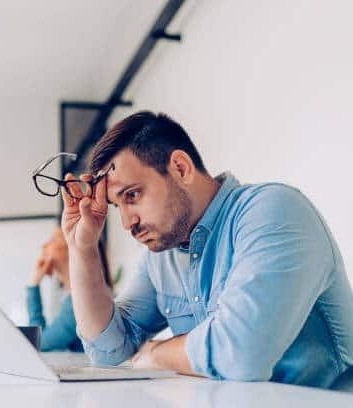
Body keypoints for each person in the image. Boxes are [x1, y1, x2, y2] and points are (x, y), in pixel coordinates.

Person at [60, 111, 353, 388]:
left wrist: (156, 353)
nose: (126, 222)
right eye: (117, 206)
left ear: (180, 168)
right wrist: (81, 248)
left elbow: (240, 354)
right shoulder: (161, 258)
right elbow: (108, 351)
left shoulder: (273, 210)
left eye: (132, 195)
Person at [26, 227, 112, 352]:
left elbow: (38, 342)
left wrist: (34, 285)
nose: (44, 245)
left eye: (53, 240)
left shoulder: (82, 302)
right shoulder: (77, 297)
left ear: (74, 248)